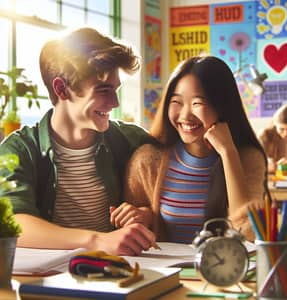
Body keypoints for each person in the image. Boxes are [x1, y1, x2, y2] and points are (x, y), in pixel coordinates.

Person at [0, 27, 157, 256]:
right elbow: (15, 224)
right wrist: (97, 241)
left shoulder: (129, 139)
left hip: (118, 272)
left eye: (116, 90)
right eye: (103, 90)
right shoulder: (18, 150)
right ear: (61, 89)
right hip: (48, 279)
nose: (114, 102)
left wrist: (147, 214)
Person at [111, 55, 267, 242]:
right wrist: (144, 216)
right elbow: (135, 231)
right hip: (168, 271)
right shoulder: (147, 160)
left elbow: (247, 234)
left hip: (229, 269)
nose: (185, 115)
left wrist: (228, 153)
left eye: (197, 103)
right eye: (176, 102)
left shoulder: (248, 158)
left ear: (222, 106)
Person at [258, 102, 287, 174]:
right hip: (272, 178)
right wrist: (268, 166)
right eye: (282, 129)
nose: (285, 134)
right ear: (275, 124)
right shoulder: (265, 135)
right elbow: (256, 165)